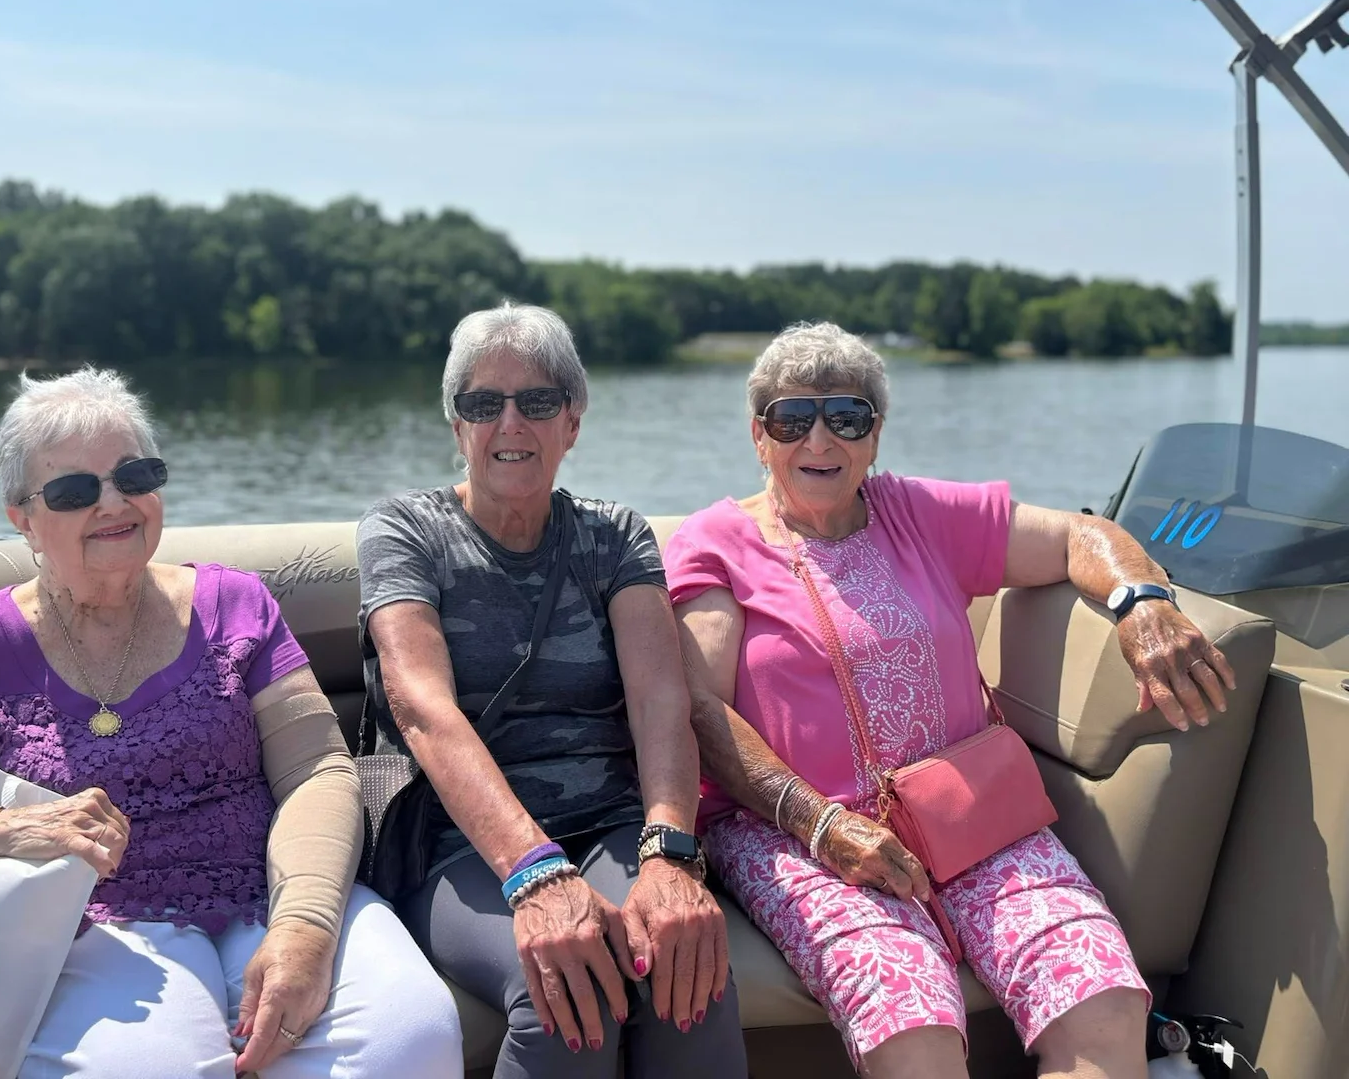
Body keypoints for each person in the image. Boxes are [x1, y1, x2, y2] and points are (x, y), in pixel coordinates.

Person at [0, 366, 462, 1079]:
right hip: (92, 926)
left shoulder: (235, 605)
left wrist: (306, 926)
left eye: (133, 475)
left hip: (272, 889)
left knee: (411, 1038)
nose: (114, 503)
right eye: (75, 491)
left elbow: (317, 770)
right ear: (23, 518)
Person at [666, 322, 1238, 1079]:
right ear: (758, 435)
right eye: (792, 418)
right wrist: (822, 822)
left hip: (971, 814)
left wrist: (1142, 603)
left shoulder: (919, 513)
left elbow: (1080, 534)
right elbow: (702, 711)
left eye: (847, 417)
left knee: (1101, 999)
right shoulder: (715, 543)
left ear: (875, 436)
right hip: (798, 834)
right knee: (914, 1030)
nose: (820, 439)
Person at [357, 304, 747, 1079]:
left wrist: (670, 853)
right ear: (456, 423)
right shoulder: (405, 533)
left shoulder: (614, 537)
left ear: (572, 422)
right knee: (565, 991)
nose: (510, 422)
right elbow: (423, 710)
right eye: (482, 403)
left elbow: (660, 700)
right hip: (459, 844)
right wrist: (533, 869)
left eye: (537, 401)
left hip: (609, 822)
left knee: (687, 967)